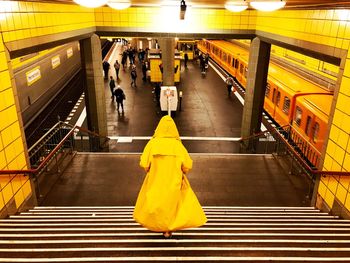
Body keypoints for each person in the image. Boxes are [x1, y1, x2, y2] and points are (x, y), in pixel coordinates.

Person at [133, 116, 207, 238]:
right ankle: (168, 229)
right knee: (172, 205)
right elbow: (187, 165)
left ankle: (160, 227)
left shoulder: (152, 144)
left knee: (157, 203)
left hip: (155, 180)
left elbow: (144, 164)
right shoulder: (178, 146)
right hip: (174, 180)